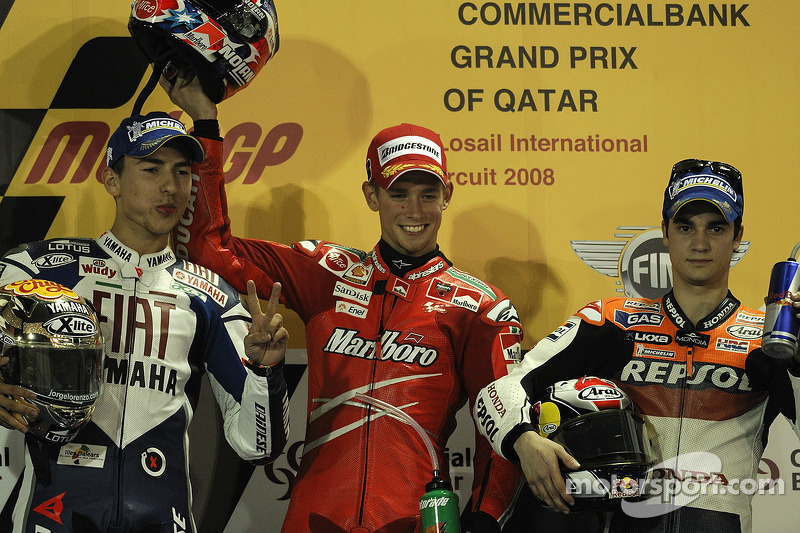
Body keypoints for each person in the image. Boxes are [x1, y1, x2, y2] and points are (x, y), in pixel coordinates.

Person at [164, 71, 525, 533]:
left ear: (446, 196)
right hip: (315, 517)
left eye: (428, 194)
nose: (414, 212)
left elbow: (499, 433)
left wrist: (484, 523)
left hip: (416, 519)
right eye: (398, 194)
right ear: (371, 195)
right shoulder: (328, 274)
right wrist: (206, 123)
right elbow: (211, 251)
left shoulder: (479, 307)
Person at [472, 158, 800, 532]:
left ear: (737, 234)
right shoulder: (612, 322)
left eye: (716, 228)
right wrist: (524, 440)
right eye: (684, 226)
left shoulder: (769, 339)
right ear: (665, 232)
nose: (699, 242)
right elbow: (499, 392)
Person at [0, 112, 290, 533]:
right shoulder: (36, 269)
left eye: (182, 172)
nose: (170, 186)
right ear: (111, 181)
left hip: (162, 517)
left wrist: (267, 370)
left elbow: (257, 446)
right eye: (151, 169)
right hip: (51, 517)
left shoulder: (212, 297)